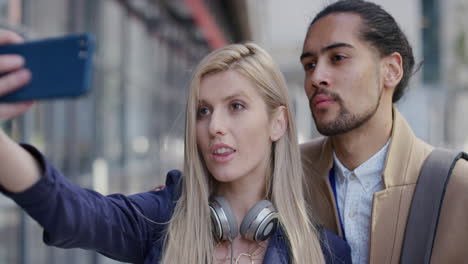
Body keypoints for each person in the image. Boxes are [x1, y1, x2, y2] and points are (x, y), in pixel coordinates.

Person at [0, 29, 351, 264]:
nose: (214, 127)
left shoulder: (325, 254)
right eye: (203, 111)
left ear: (278, 122)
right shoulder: (163, 217)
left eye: (236, 106)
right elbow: (71, 212)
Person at [299, 0, 468, 263]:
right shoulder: (288, 174)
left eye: (338, 58)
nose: (316, 76)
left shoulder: (457, 186)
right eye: (309, 64)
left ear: (391, 70)